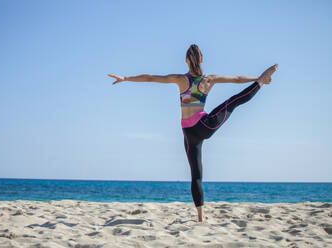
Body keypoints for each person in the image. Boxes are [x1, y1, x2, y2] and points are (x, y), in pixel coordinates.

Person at [108, 44, 278, 222]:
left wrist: (125, 78)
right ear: (202, 59)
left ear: (186, 60)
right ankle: (259, 83)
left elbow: (151, 78)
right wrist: (258, 78)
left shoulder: (180, 79)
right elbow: (236, 79)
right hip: (205, 126)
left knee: (196, 175)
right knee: (233, 102)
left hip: (188, 133)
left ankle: (200, 216)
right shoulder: (209, 80)